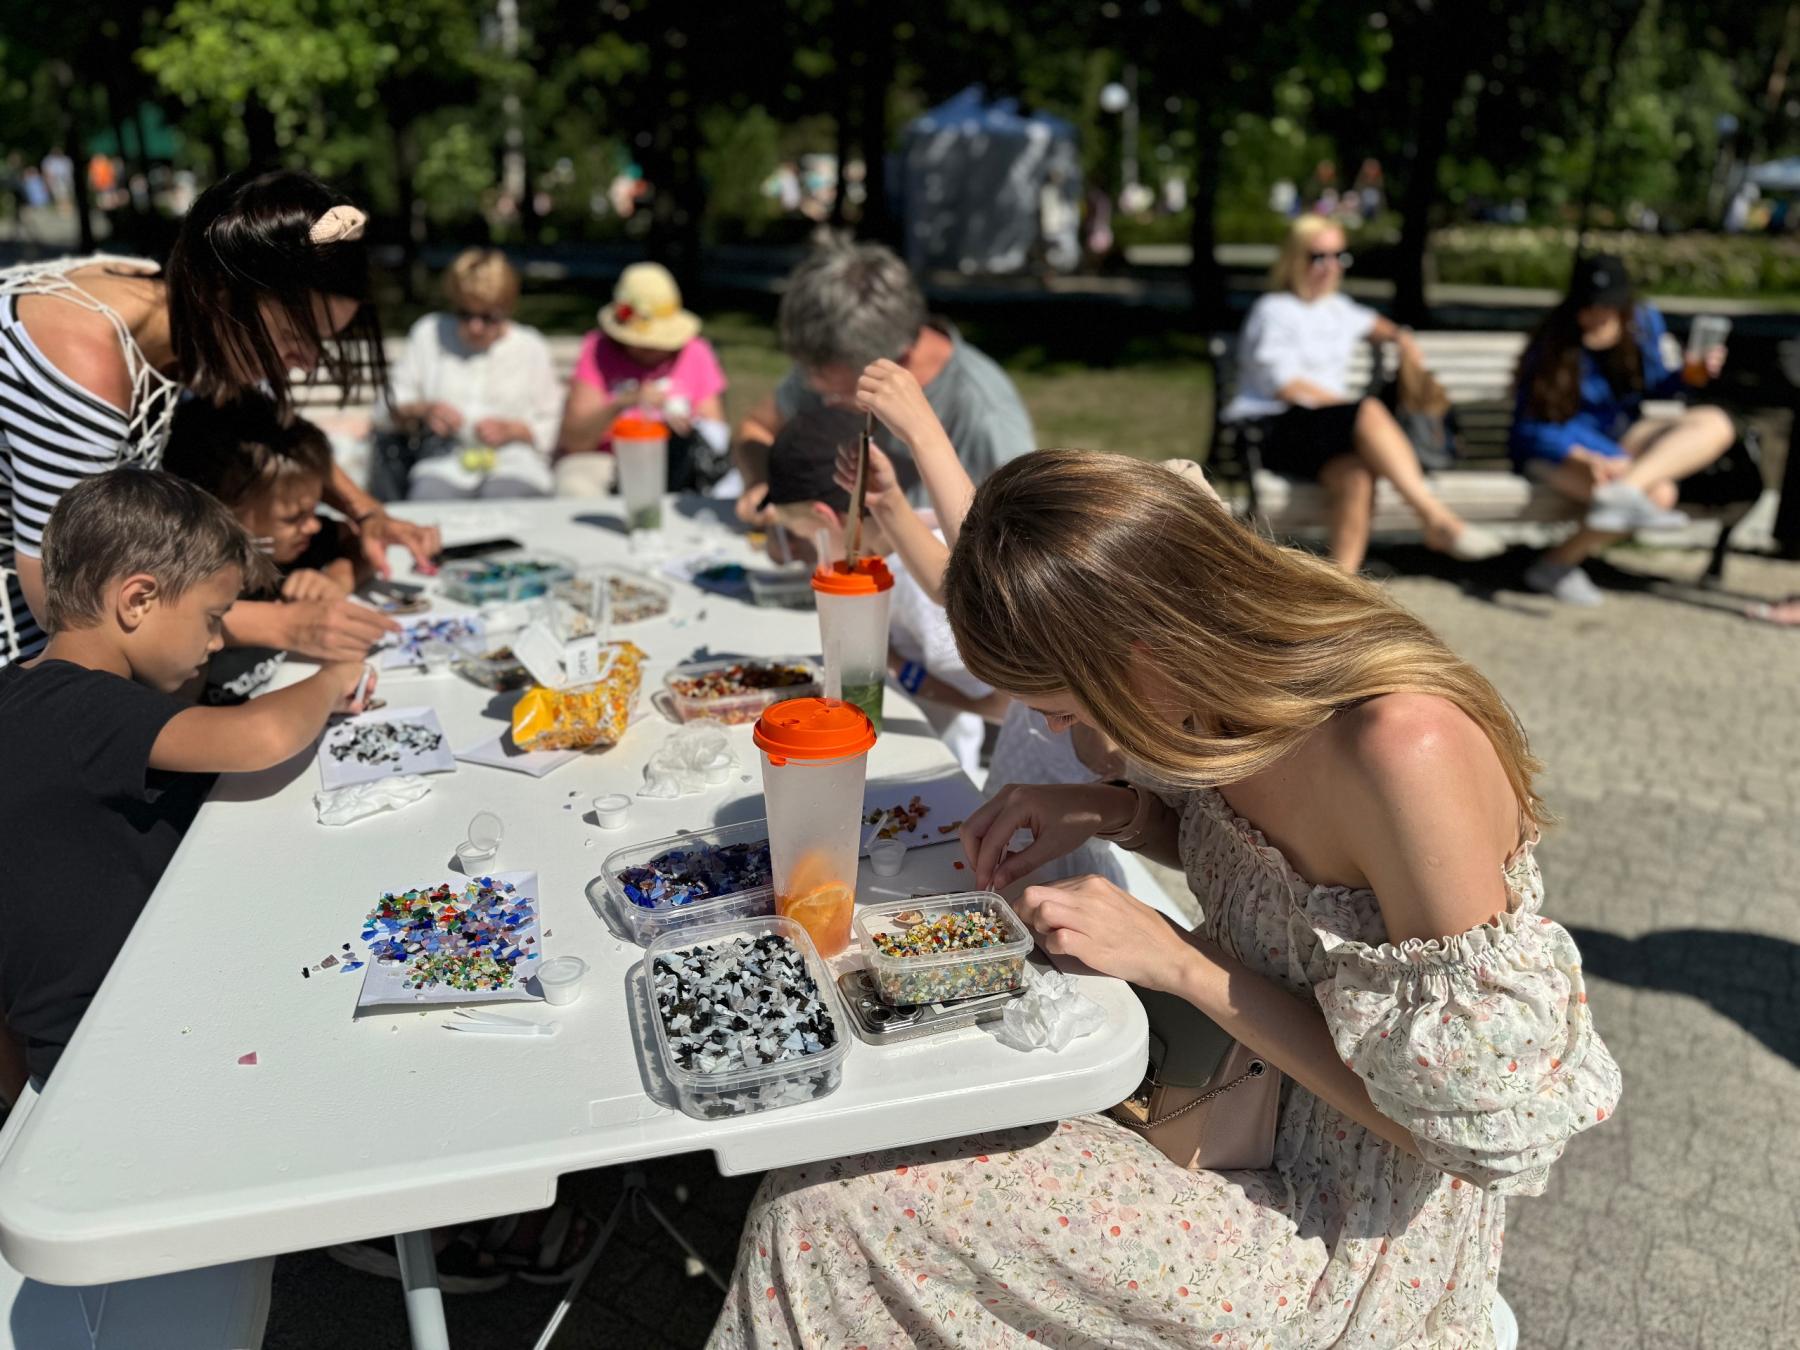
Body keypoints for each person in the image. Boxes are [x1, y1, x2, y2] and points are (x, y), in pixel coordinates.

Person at [708, 450, 1620, 1349]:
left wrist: (1181, 963)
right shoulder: (1226, 692)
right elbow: (1279, 887)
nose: (1062, 742)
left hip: (1342, 1233)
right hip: (1217, 1110)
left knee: (825, 1210)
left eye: (1063, 712)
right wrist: (1110, 812)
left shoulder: (1402, 750)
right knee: (863, 1119)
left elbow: (1465, 1135)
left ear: (1137, 652)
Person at [0, 469, 373, 1098]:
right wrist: (335, 678)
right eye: (211, 616)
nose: (218, 638)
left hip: (70, 1046)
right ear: (138, 600)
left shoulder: (21, 693)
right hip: (122, 1046)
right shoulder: (89, 711)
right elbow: (262, 739)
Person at [0, 166, 439, 670]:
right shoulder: (82, 364)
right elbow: (63, 599)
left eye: (325, 341)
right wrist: (285, 624)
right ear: (220, 293)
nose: (308, 362)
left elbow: (264, 425)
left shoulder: (178, 306)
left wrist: (366, 512)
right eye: (297, 337)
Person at [1224, 214, 1505, 573]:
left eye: (1339, 257)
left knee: (1358, 476)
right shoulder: (1274, 311)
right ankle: (1436, 519)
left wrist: (1403, 341)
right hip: (1271, 428)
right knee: (1368, 412)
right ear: (1295, 258)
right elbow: (1286, 385)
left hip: (1322, 433)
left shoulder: (1340, 309)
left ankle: (1342, 587)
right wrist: (1350, 413)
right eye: (1318, 257)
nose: (1330, 267)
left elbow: (1381, 327)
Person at [759, 406, 1006, 778]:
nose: (800, 554)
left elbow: (1001, 705)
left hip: (934, 767)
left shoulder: (911, 575)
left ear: (826, 519)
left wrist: (894, 665)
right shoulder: (905, 532)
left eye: (801, 538)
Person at [731, 241, 1033, 525]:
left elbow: (1027, 534)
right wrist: (760, 484)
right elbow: (755, 429)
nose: (818, 394)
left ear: (898, 360)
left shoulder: (984, 413)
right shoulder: (829, 362)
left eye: (841, 392)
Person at [1510, 254, 1735, 606]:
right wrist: (1582, 456)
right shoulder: (1553, 344)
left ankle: (1623, 491)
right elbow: (1530, 428)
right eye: (1588, 306)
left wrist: (1693, 374)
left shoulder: (1642, 325)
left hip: (1616, 440)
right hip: (1553, 448)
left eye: (1606, 307)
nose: (1596, 316)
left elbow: (1656, 385)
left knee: (1715, 422)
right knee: (1659, 495)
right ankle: (1555, 565)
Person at [162, 395, 365, 704]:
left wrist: (337, 577)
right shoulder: (181, 590)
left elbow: (357, 542)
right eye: (294, 517)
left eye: (314, 510)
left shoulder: (297, 546)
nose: (313, 526)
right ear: (224, 512)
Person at [373, 248, 563, 501]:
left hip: (515, 463)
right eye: (465, 314)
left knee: (505, 499)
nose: (475, 327)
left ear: (506, 309)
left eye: (488, 317)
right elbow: (387, 407)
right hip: (443, 462)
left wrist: (513, 431)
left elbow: (550, 424)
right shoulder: (429, 334)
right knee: (428, 500)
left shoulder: (530, 347)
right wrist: (423, 410)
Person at [555, 262, 728, 497]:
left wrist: (685, 427)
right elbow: (575, 442)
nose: (652, 349)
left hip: (678, 469)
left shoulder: (695, 352)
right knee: (574, 483)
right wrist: (623, 402)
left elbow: (715, 435)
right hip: (608, 463)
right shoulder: (598, 350)